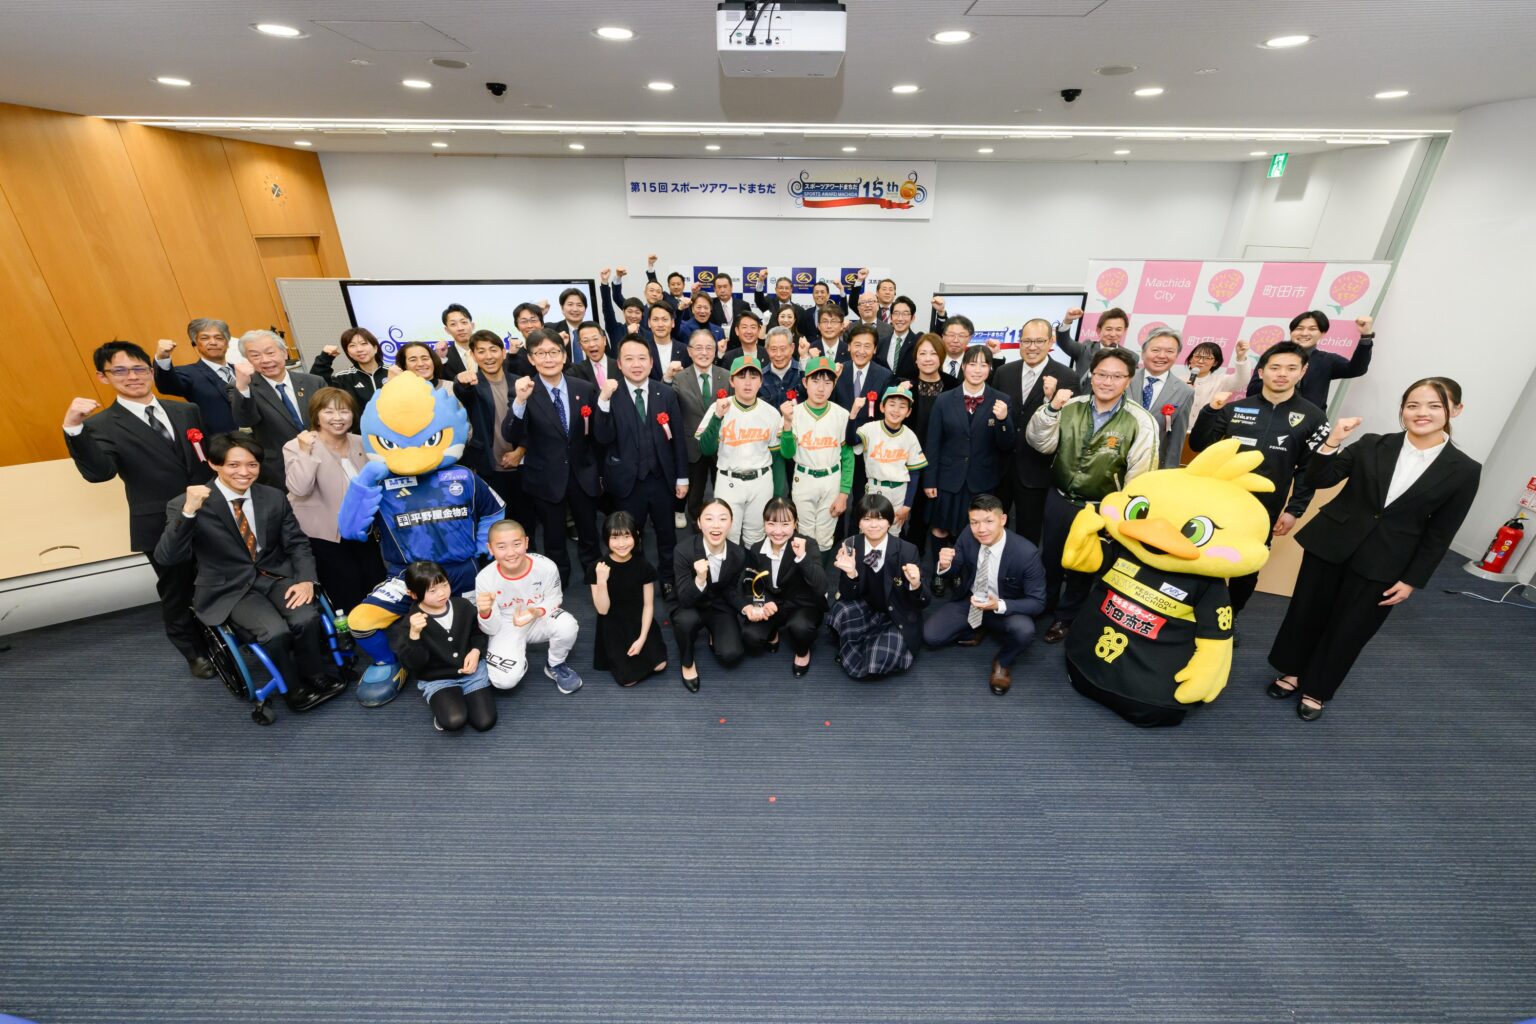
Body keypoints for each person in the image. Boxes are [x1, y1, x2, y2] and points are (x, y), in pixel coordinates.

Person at [1266, 379, 1479, 721]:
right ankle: (1292, 672)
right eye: (1412, 405)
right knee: (1307, 611)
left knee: (1352, 627)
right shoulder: (1372, 444)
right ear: (1403, 409)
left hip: (1388, 558)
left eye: (1434, 406)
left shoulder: (1465, 470)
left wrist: (1412, 579)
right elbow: (1318, 480)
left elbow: (1441, 532)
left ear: (1455, 410)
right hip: (1332, 543)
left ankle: (1318, 688)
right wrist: (1332, 441)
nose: (1421, 413)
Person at [154, 433, 346, 711]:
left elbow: (297, 543)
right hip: (229, 587)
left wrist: (306, 579)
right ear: (214, 464)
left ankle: (315, 673)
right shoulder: (185, 503)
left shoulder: (273, 496)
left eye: (252, 465)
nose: (244, 472)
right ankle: (292, 688)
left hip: (275, 575)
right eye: (234, 465)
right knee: (275, 632)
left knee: (306, 618)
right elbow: (167, 557)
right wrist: (189, 513)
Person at [63, 340, 215, 678]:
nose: (132, 377)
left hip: (208, 511)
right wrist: (73, 428)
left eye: (139, 368)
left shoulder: (185, 411)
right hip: (158, 521)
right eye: (120, 371)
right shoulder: (100, 425)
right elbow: (99, 473)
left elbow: (206, 459)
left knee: (220, 574)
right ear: (103, 377)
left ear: (151, 370)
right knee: (177, 589)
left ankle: (226, 636)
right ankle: (193, 652)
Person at [1026, 348, 1158, 643]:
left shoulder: (1140, 420)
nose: (1107, 382)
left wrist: (1120, 517)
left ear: (1128, 380)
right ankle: (1044, 603)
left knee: (1083, 565)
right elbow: (1039, 442)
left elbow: (1141, 476)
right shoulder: (1071, 406)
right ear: (1092, 375)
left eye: (1116, 376)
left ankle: (1066, 616)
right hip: (1060, 498)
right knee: (1050, 557)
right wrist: (1051, 409)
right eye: (1101, 374)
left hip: (1100, 507)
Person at [1189, 340, 1328, 619]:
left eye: (1291, 368)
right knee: (1203, 556)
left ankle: (1228, 618)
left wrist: (1294, 510)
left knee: (1246, 568)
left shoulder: (1314, 417)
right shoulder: (1235, 408)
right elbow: (1199, 445)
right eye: (1275, 367)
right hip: (1220, 503)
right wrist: (1210, 411)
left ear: (1302, 372)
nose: (1282, 373)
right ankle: (1191, 614)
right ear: (1261, 372)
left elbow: (1308, 470)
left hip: (1265, 509)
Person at [593, 335, 689, 601]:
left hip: (661, 479)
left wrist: (682, 477)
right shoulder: (610, 395)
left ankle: (668, 579)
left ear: (651, 362)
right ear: (619, 364)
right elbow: (601, 437)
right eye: (629, 359)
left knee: (667, 534)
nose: (636, 364)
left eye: (642, 358)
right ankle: (636, 582)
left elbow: (678, 439)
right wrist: (603, 400)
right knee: (629, 538)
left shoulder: (665, 393)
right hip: (626, 482)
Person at [504, 329, 602, 587]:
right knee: (553, 536)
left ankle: (595, 577)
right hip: (545, 477)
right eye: (541, 353)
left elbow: (595, 434)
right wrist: (520, 402)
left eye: (554, 352)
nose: (548, 359)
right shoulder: (524, 391)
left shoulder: (584, 388)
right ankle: (559, 582)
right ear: (531, 358)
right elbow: (511, 434)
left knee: (589, 532)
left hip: (582, 474)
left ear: (564, 355)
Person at [926, 494, 1047, 694]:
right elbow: (955, 567)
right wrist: (945, 565)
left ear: (1003, 519)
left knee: (1024, 631)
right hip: (972, 600)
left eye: (989, 521)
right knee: (931, 636)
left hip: (1004, 607)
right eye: (975, 522)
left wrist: (998, 605)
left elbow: (1038, 602)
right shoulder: (968, 534)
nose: (981, 529)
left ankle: (1003, 662)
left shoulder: (1026, 553)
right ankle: (978, 627)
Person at [281, 387, 385, 612]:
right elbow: (299, 488)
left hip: (365, 531)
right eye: (329, 412)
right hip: (326, 536)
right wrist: (305, 453)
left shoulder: (362, 442)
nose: (338, 418)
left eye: (344, 411)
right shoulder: (296, 445)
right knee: (348, 592)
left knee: (377, 586)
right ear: (316, 415)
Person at [923, 345, 1016, 557]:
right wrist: (930, 480)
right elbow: (933, 443)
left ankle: (967, 571)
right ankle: (940, 569)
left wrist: (1003, 420)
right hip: (948, 478)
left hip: (982, 479)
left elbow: (1006, 445)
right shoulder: (944, 399)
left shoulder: (1001, 400)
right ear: (963, 366)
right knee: (940, 527)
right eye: (973, 364)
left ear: (990, 369)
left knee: (977, 530)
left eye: (983, 365)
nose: (977, 370)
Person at [475, 519, 584, 694]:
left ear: (526, 542)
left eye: (516, 544)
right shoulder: (485, 578)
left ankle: (555, 664)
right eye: (501, 547)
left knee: (567, 625)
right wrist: (485, 612)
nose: (511, 553)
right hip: (505, 624)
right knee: (504, 681)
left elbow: (555, 598)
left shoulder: (546, 566)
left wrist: (535, 612)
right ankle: (518, 658)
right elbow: (491, 629)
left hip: (538, 617)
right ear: (490, 549)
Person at [828, 494, 928, 680]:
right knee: (840, 610)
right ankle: (862, 642)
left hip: (896, 613)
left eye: (880, 518)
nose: (873, 525)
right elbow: (847, 595)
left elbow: (924, 601)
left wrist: (916, 585)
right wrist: (851, 574)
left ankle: (862, 646)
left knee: (876, 660)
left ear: (889, 522)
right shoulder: (851, 544)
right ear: (859, 522)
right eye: (866, 519)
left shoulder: (907, 550)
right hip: (865, 606)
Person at [389, 559, 495, 733]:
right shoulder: (411, 623)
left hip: (471, 673)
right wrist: (414, 635)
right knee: (454, 721)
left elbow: (478, 632)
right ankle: (443, 706)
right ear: (413, 594)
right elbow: (415, 664)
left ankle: (455, 701)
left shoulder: (463, 605)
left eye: (444, 585)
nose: (442, 593)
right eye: (432, 591)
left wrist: (476, 651)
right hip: (437, 678)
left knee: (485, 722)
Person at [991, 318, 1073, 543]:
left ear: (1051, 341)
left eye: (1039, 341)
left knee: (1029, 533)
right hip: (1001, 467)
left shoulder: (1067, 377)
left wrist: (1050, 400)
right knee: (991, 527)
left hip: (1037, 470)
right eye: (1027, 341)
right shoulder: (1004, 372)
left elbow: (1067, 427)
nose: (1032, 347)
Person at [695, 356, 786, 545]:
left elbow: (777, 457)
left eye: (753, 376)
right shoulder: (718, 407)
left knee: (757, 537)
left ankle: (753, 566)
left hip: (761, 481)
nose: (747, 382)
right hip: (728, 480)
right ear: (731, 380)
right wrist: (717, 417)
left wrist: (778, 494)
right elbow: (706, 449)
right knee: (728, 536)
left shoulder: (771, 413)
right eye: (741, 376)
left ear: (761, 381)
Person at [452, 329, 532, 528]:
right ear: (473, 356)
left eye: (493, 350)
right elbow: (462, 390)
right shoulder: (473, 385)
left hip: (523, 465)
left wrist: (521, 450)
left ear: (503, 353)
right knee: (495, 525)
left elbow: (533, 423)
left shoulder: (519, 382)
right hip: (489, 468)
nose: (488, 356)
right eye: (481, 351)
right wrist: (461, 380)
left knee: (527, 522)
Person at [672, 498, 752, 692]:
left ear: (731, 523)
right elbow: (684, 598)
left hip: (719, 603)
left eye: (723, 519)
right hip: (692, 604)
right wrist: (700, 579)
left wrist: (745, 607)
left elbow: (730, 589)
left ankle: (713, 633)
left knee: (731, 654)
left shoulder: (737, 553)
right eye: (709, 519)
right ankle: (687, 663)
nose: (716, 525)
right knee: (685, 622)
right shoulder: (683, 551)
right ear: (699, 523)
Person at [741, 497, 827, 676]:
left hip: (802, 604)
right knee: (750, 635)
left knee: (800, 627)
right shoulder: (756, 549)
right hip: (774, 604)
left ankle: (802, 652)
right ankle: (774, 631)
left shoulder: (808, 544)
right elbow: (751, 584)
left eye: (785, 524)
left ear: (795, 524)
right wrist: (764, 602)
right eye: (771, 524)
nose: (778, 531)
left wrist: (802, 557)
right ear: (764, 524)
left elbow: (821, 587)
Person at [229, 328, 324, 488]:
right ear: (247, 360)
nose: (265, 360)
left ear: (284, 353)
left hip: (323, 457)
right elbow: (245, 420)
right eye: (255, 356)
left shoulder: (314, 382)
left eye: (270, 353)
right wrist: (243, 387)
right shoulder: (243, 388)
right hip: (280, 468)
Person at [780, 355, 852, 557]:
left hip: (831, 479)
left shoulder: (841, 414)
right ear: (805, 383)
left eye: (827, 382)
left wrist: (844, 493)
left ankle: (821, 576)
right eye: (816, 381)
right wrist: (787, 424)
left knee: (825, 537)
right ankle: (806, 575)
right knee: (804, 535)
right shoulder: (794, 412)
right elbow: (787, 453)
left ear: (834, 384)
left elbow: (848, 457)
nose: (821, 388)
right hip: (804, 477)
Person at [590, 511, 668, 687]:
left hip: (638, 620)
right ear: (606, 539)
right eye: (615, 538)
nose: (621, 544)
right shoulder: (597, 567)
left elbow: (648, 606)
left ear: (636, 535)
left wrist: (642, 638)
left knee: (660, 665)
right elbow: (602, 609)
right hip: (613, 625)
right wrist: (601, 581)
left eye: (627, 536)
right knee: (628, 680)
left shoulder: (644, 566)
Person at [899, 333, 959, 553]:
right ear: (915, 359)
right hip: (906, 459)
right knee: (905, 509)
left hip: (942, 460)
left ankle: (932, 557)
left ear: (941, 357)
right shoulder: (904, 383)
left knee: (933, 513)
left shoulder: (953, 386)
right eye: (922, 353)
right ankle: (908, 553)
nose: (927, 358)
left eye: (933, 353)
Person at [1246, 311, 1375, 411]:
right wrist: (1281, 382)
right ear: (1291, 331)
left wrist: (1366, 336)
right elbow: (1252, 391)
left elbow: (1357, 369)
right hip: (1268, 418)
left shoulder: (1327, 360)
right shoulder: (1273, 356)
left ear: (1322, 333)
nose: (1304, 333)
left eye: (1312, 329)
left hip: (1309, 425)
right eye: (1299, 328)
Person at [668, 328, 731, 523]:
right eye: (699, 348)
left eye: (709, 348)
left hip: (721, 445)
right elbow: (666, 404)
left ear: (715, 350)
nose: (704, 353)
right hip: (692, 445)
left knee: (723, 489)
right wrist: (667, 378)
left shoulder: (727, 376)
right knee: (695, 492)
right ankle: (697, 522)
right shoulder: (679, 378)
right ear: (689, 351)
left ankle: (723, 521)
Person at [851, 385, 928, 535]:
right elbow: (851, 440)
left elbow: (915, 473)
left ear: (908, 412)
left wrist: (907, 505)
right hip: (875, 488)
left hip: (899, 491)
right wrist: (853, 414)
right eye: (892, 404)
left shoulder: (910, 436)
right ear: (882, 407)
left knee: (893, 534)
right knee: (869, 531)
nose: (896, 410)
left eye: (902, 406)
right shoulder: (870, 428)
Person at [152, 318, 238, 433]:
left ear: (227, 343)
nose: (213, 342)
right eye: (205, 338)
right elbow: (167, 386)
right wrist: (163, 358)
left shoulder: (245, 370)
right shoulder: (188, 373)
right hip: (222, 440)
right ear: (195, 344)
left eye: (219, 338)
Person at [1129, 327, 1196, 468]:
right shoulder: (1124, 379)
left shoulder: (1184, 392)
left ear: (1177, 355)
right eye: (1155, 350)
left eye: (1170, 351)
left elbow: (1176, 440)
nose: (1162, 356)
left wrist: (1168, 472)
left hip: (1152, 465)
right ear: (1143, 353)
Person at [310, 327, 391, 416]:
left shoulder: (394, 372)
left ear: (375, 348)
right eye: (352, 345)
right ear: (348, 353)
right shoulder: (342, 378)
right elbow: (316, 386)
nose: (359, 349)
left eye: (363, 343)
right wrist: (325, 358)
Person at [1056, 306, 1139, 383]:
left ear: (1124, 331)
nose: (1113, 334)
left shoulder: (1131, 357)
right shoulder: (1085, 349)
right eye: (1109, 329)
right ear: (1098, 330)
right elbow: (1064, 342)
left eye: (1118, 330)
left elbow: (1132, 387)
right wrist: (1067, 321)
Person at [1184, 339, 1252, 415]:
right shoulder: (1179, 380)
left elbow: (1242, 379)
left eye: (1207, 358)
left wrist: (1241, 357)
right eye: (1197, 356)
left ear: (1215, 363)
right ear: (1190, 359)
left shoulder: (1221, 381)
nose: (1200, 361)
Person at [757, 326, 803, 410]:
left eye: (783, 349)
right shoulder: (759, 377)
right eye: (774, 349)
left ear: (792, 348)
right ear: (767, 350)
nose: (778, 354)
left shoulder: (802, 373)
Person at [567, 322, 619, 391]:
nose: (591, 344)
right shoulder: (576, 372)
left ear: (604, 340)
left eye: (595, 339)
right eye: (586, 341)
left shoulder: (620, 366)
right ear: (580, 346)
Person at [881, 296, 923, 378]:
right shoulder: (881, 343)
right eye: (896, 313)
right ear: (891, 317)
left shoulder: (918, 342)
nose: (900, 318)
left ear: (912, 318)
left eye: (905, 314)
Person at [553, 287, 592, 362]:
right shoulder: (552, 330)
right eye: (570, 304)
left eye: (579, 305)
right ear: (562, 308)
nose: (575, 309)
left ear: (585, 309)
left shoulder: (595, 331)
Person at [439, 303, 476, 378]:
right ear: (447, 330)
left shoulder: (487, 351)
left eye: (464, 322)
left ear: (472, 326)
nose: (460, 328)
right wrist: (441, 359)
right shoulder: (443, 358)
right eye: (453, 324)